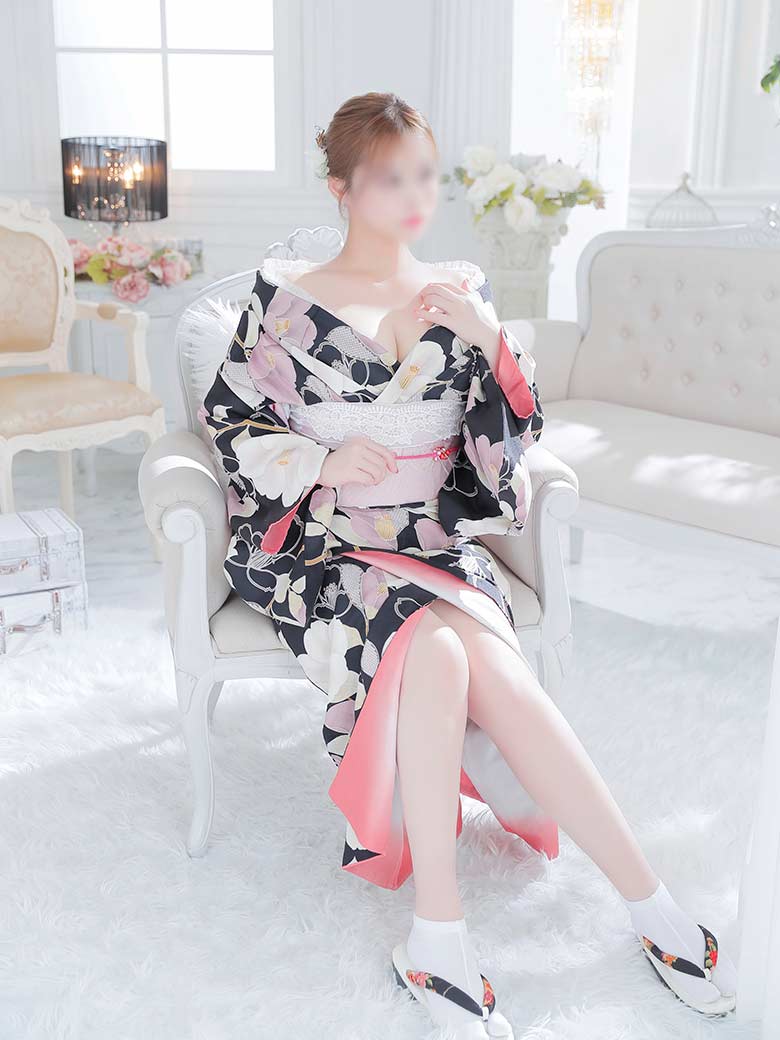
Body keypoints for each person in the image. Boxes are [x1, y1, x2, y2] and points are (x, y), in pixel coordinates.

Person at [200, 92, 737, 1038]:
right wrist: (320, 461)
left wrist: (491, 341)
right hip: (322, 545)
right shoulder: (281, 305)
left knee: (484, 663)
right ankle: (439, 934)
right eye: (389, 179)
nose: (416, 197)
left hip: (436, 541)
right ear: (340, 188)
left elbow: (508, 442)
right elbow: (229, 421)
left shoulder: (459, 294)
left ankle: (646, 903)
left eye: (425, 176)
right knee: (439, 653)